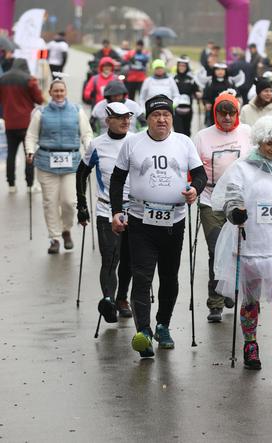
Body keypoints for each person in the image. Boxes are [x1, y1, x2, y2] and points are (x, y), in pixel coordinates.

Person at [211, 116, 272, 376]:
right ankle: (250, 345)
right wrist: (237, 213)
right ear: (259, 141)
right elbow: (230, 200)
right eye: (269, 143)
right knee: (251, 302)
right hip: (251, 247)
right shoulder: (242, 168)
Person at [109, 94, 206, 358]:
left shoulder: (183, 142)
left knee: (170, 277)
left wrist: (194, 190)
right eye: (156, 115)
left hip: (174, 221)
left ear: (172, 118)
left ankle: (163, 325)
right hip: (141, 220)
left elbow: (200, 174)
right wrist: (116, 211)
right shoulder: (132, 143)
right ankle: (144, 332)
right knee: (142, 276)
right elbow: (117, 180)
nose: (161, 119)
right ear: (147, 119)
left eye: (166, 115)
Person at [192, 90, 251, 322]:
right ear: (215, 113)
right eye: (222, 113)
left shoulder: (247, 133)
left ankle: (231, 288)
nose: (227, 117)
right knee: (217, 250)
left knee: (239, 250)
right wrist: (192, 187)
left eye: (231, 113)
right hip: (211, 202)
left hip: (240, 202)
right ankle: (215, 301)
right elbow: (194, 169)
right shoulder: (202, 137)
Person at [76, 102, 135, 321]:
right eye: (120, 118)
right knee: (111, 256)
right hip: (106, 208)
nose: (125, 121)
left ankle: (122, 297)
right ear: (107, 120)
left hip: (135, 208)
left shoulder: (137, 141)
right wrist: (82, 205)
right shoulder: (97, 145)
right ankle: (108, 300)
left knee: (129, 259)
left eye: (128, 117)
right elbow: (81, 173)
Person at [24, 80, 93, 254]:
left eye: (62, 90)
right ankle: (54, 237)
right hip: (47, 162)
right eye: (56, 91)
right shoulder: (41, 112)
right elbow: (31, 135)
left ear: (66, 92)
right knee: (50, 202)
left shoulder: (77, 111)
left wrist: (89, 149)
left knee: (69, 202)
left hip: (71, 163)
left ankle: (66, 229)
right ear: (50, 92)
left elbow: (86, 133)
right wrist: (30, 151)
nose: (59, 93)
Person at [0, 58, 44, 193]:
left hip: (10, 123)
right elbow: (39, 100)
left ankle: (11, 184)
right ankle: (30, 184)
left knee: (11, 154)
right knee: (29, 153)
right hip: (27, 124)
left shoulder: (2, 79)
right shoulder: (29, 80)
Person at [173, 57, 200, 136]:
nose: (182, 68)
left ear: (187, 67)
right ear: (177, 66)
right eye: (180, 66)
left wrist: (198, 94)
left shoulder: (191, 79)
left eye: (184, 66)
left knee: (187, 131)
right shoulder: (173, 79)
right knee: (178, 131)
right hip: (176, 109)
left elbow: (196, 91)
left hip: (188, 109)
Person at [201, 62, 233, 127]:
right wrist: (206, 103)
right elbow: (205, 96)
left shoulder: (230, 82)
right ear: (214, 71)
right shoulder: (210, 82)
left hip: (227, 112)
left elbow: (236, 95)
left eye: (222, 70)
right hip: (212, 112)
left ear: (225, 71)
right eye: (218, 69)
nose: (220, 72)